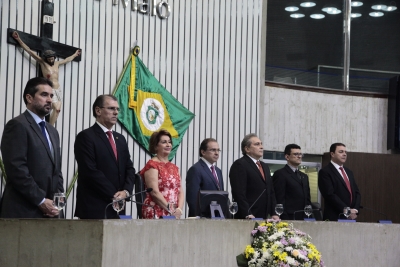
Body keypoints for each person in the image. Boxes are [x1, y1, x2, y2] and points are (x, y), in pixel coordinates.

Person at [0, 77, 64, 218]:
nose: (49, 100)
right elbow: (16, 169)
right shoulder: (17, 125)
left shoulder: (52, 131)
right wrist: (41, 201)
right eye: (44, 95)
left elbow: (56, 171)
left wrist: (59, 203)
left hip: (51, 213)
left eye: (51, 96)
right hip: (24, 211)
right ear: (29, 98)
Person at [74, 95, 135, 219]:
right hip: (94, 207)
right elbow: (90, 171)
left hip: (118, 207)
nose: (116, 112)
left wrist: (126, 192)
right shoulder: (86, 137)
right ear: (98, 111)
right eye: (111, 108)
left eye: (117, 109)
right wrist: (114, 194)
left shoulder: (120, 139)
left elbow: (129, 168)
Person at [12, 31, 81, 126]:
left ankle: (50, 127)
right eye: (49, 59)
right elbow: (29, 51)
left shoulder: (57, 64)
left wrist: (75, 54)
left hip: (58, 89)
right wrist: (18, 39)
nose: (51, 60)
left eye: (52, 58)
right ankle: (49, 127)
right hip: (50, 89)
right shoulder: (42, 63)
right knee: (56, 108)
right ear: (46, 58)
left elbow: (66, 60)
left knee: (58, 110)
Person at [229, 133, 279, 220]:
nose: (261, 147)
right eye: (257, 144)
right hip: (248, 216)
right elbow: (239, 193)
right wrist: (247, 213)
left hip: (264, 216)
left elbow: (271, 191)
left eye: (261, 144)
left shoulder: (264, 166)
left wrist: (274, 213)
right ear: (247, 149)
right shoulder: (240, 164)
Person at [140, 130, 184, 219]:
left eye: (169, 142)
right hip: (155, 210)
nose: (168, 145)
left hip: (173, 213)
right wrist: (170, 209)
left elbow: (180, 192)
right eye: (164, 142)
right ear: (156, 146)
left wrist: (179, 209)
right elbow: (154, 192)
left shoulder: (175, 168)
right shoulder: (152, 165)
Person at [318, 143, 361, 221]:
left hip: (351, 218)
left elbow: (356, 192)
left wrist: (355, 210)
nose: (344, 154)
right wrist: (346, 210)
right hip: (334, 217)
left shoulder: (349, 172)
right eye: (341, 152)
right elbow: (329, 194)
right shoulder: (325, 172)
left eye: (345, 152)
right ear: (332, 154)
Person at [186, 138, 224, 217]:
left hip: (217, 217)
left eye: (218, 150)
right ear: (203, 152)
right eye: (213, 150)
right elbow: (192, 198)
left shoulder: (218, 171)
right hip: (201, 218)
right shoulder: (195, 169)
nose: (217, 153)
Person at [272, 144, 312, 220]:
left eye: (300, 154)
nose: (299, 156)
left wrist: (309, 215)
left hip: (304, 217)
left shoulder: (304, 176)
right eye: (296, 154)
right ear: (287, 157)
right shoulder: (281, 174)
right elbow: (279, 199)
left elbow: (307, 199)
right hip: (289, 217)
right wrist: (284, 217)